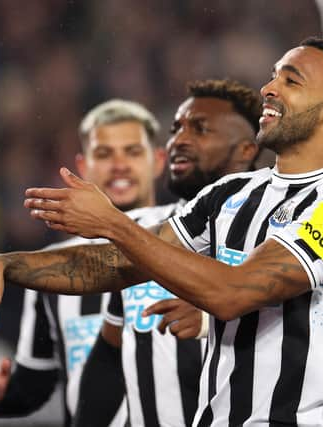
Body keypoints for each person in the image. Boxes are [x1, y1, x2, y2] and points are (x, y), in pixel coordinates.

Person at [0, 37, 323, 427]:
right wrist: (6, 265)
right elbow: (117, 264)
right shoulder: (232, 194)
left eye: (291, 81)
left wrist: (113, 222)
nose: (269, 88)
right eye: (273, 76)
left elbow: (233, 293)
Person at [0, 99, 166, 427]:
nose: (120, 165)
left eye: (133, 152)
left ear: (158, 161)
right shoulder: (49, 268)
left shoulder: (192, 240)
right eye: (104, 154)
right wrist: (2, 399)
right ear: (82, 166)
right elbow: (35, 382)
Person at [76, 79, 261, 427]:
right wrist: (5, 265)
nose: (179, 140)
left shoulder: (279, 228)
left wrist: (212, 319)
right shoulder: (139, 232)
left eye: (200, 129)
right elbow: (110, 352)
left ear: (246, 150)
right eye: (177, 129)